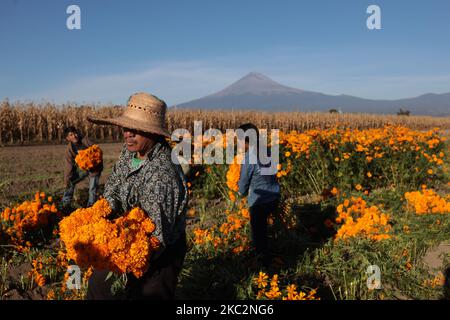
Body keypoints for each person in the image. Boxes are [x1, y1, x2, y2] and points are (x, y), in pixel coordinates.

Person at [86, 92, 188, 300]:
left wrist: (122, 254)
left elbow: (156, 236)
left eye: (136, 130)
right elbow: (113, 189)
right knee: (98, 285)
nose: (128, 134)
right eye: (126, 128)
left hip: (159, 252)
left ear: (153, 133)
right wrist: (100, 219)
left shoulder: (162, 173)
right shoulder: (129, 153)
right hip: (126, 234)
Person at [237, 123, 280, 267]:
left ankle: (263, 264)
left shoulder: (249, 158)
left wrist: (241, 193)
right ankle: (269, 253)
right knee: (266, 229)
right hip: (274, 196)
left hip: (259, 201)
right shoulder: (267, 151)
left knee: (259, 234)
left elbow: (243, 182)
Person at [62, 126, 103, 211]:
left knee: (92, 189)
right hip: (82, 168)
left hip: (95, 168)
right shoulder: (69, 149)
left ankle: (90, 207)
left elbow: (98, 150)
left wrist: (93, 161)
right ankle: (66, 204)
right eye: (71, 135)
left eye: (75, 133)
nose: (74, 136)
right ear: (68, 138)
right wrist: (67, 179)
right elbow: (69, 165)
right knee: (70, 181)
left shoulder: (85, 140)